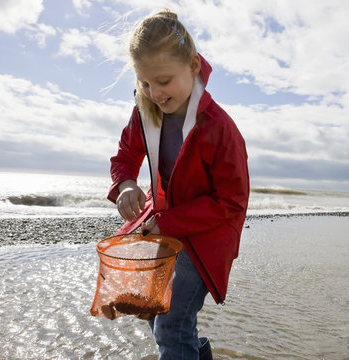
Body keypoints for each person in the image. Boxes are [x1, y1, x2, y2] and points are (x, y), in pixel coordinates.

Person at [107, 9, 250, 360]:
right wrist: (126, 184)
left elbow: (231, 201)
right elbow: (124, 157)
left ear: (194, 67)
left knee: (171, 322)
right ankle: (197, 353)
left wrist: (168, 223)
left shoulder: (219, 127)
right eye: (145, 82)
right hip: (164, 225)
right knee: (156, 312)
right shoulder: (144, 111)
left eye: (164, 80)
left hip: (207, 236)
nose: (154, 92)